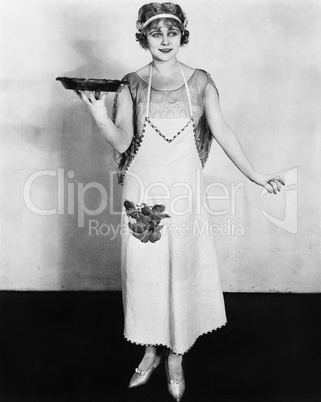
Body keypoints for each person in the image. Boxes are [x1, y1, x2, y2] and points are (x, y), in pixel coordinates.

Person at [75, 3, 285, 400]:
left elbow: (222, 130)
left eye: (172, 32)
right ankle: (151, 350)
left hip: (184, 193)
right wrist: (98, 115)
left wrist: (256, 175)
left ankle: (176, 356)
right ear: (144, 37)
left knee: (183, 269)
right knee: (146, 271)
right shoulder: (131, 83)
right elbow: (123, 142)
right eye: (157, 33)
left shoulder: (201, 81)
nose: (165, 40)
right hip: (142, 195)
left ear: (182, 35)